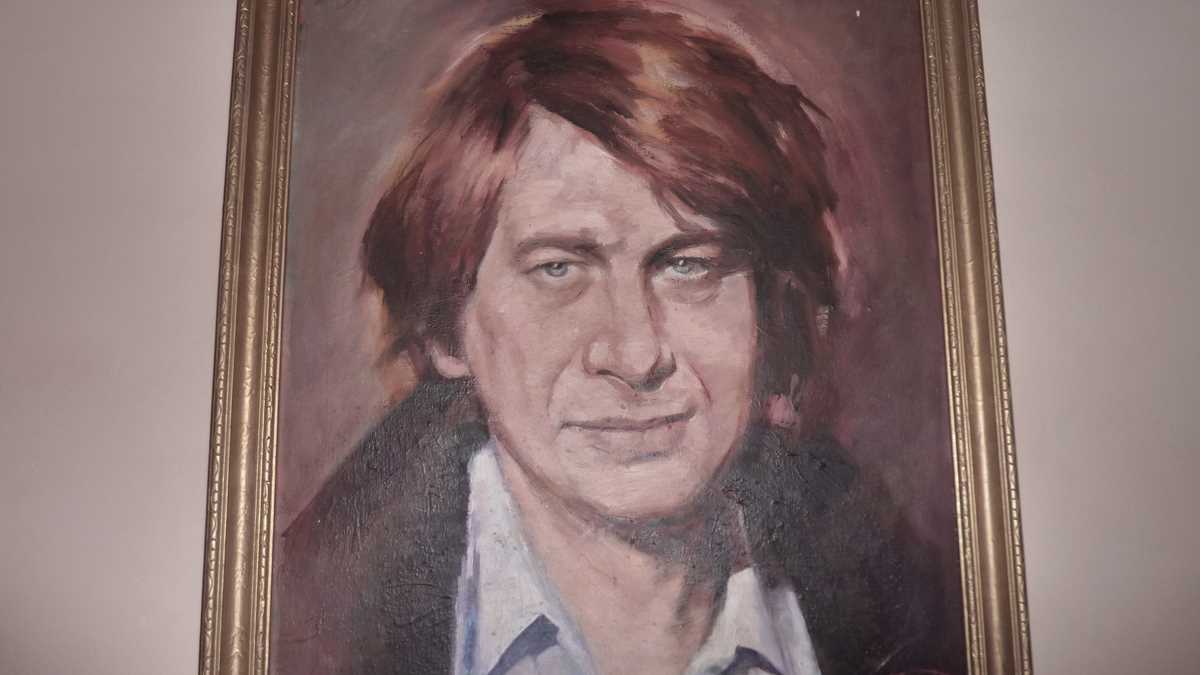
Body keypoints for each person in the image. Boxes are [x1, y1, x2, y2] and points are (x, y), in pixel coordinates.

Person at [273, 7, 961, 675]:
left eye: (689, 265)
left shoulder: (921, 617)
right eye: (558, 269)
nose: (636, 356)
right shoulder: (296, 623)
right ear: (447, 324)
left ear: (769, 311)